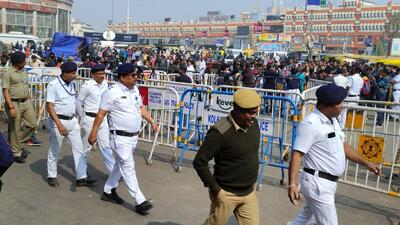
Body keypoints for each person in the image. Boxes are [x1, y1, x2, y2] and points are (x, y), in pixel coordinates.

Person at [287, 83, 380, 225]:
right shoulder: (310, 125)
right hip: (318, 184)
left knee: (305, 221)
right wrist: (292, 184)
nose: (342, 106)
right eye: (339, 103)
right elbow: (297, 154)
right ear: (327, 105)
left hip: (327, 183)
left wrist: (366, 163)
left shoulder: (332, 121)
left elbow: (343, 146)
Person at [88, 63, 158, 215]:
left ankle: (108, 191)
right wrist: (93, 133)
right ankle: (140, 201)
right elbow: (101, 114)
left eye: (136, 75)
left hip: (133, 137)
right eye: (133, 75)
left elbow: (140, 108)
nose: (136, 78)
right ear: (122, 77)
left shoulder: (135, 89)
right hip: (119, 138)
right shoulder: (111, 92)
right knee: (128, 167)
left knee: (120, 166)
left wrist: (151, 120)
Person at [193, 89, 261, 225]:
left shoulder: (253, 124)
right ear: (237, 110)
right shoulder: (220, 132)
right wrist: (216, 190)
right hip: (226, 194)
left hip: (248, 193)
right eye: (250, 113)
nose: (254, 116)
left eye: (256, 112)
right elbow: (200, 162)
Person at [46, 61, 97, 187]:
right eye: (73, 73)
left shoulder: (72, 85)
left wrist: (80, 117)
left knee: (78, 149)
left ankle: (81, 177)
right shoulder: (53, 85)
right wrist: (59, 125)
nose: (75, 75)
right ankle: (51, 175)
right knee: (55, 149)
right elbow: (50, 106)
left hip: (72, 121)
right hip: (59, 121)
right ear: (65, 73)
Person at [78, 64, 115, 173]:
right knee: (86, 148)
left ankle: (113, 172)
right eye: (99, 74)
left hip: (102, 119)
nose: (102, 76)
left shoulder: (105, 84)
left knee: (106, 146)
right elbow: (79, 102)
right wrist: (82, 116)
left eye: (103, 73)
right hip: (90, 118)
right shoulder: (87, 86)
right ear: (93, 74)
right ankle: (81, 174)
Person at [2, 51, 37, 163]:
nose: (26, 62)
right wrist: (11, 107)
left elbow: (25, 85)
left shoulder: (24, 71)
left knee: (32, 124)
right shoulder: (8, 73)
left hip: (26, 102)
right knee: (15, 128)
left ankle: (15, 143)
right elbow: (5, 91)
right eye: (23, 61)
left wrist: (29, 98)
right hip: (14, 103)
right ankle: (16, 152)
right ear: (17, 63)